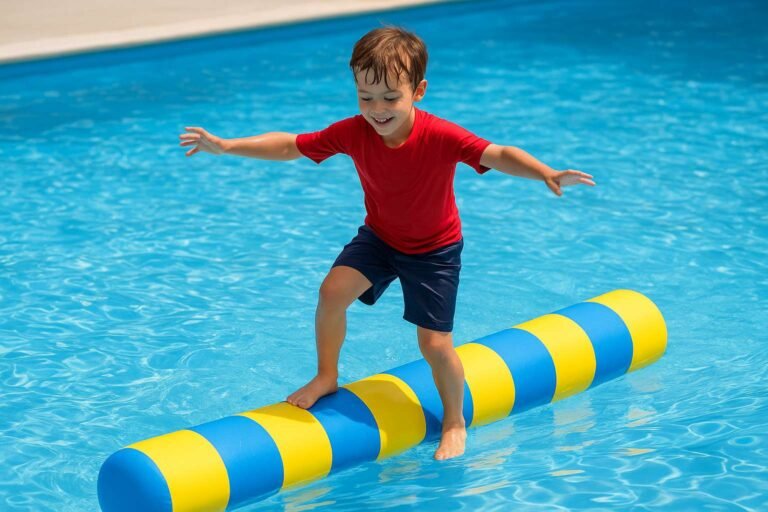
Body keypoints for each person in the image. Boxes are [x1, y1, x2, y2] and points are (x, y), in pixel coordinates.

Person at [178, 26, 595, 460]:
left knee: (434, 345)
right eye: (365, 97)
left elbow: (498, 153)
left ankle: (454, 420)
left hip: (434, 250)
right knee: (331, 293)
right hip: (380, 237)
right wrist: (226, 146)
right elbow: (291, 146)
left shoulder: (440, 135)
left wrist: (544, 171)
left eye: (390, 98)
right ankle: (326, 376)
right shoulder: (354, 131)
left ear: (418, 91)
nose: (377, 110)